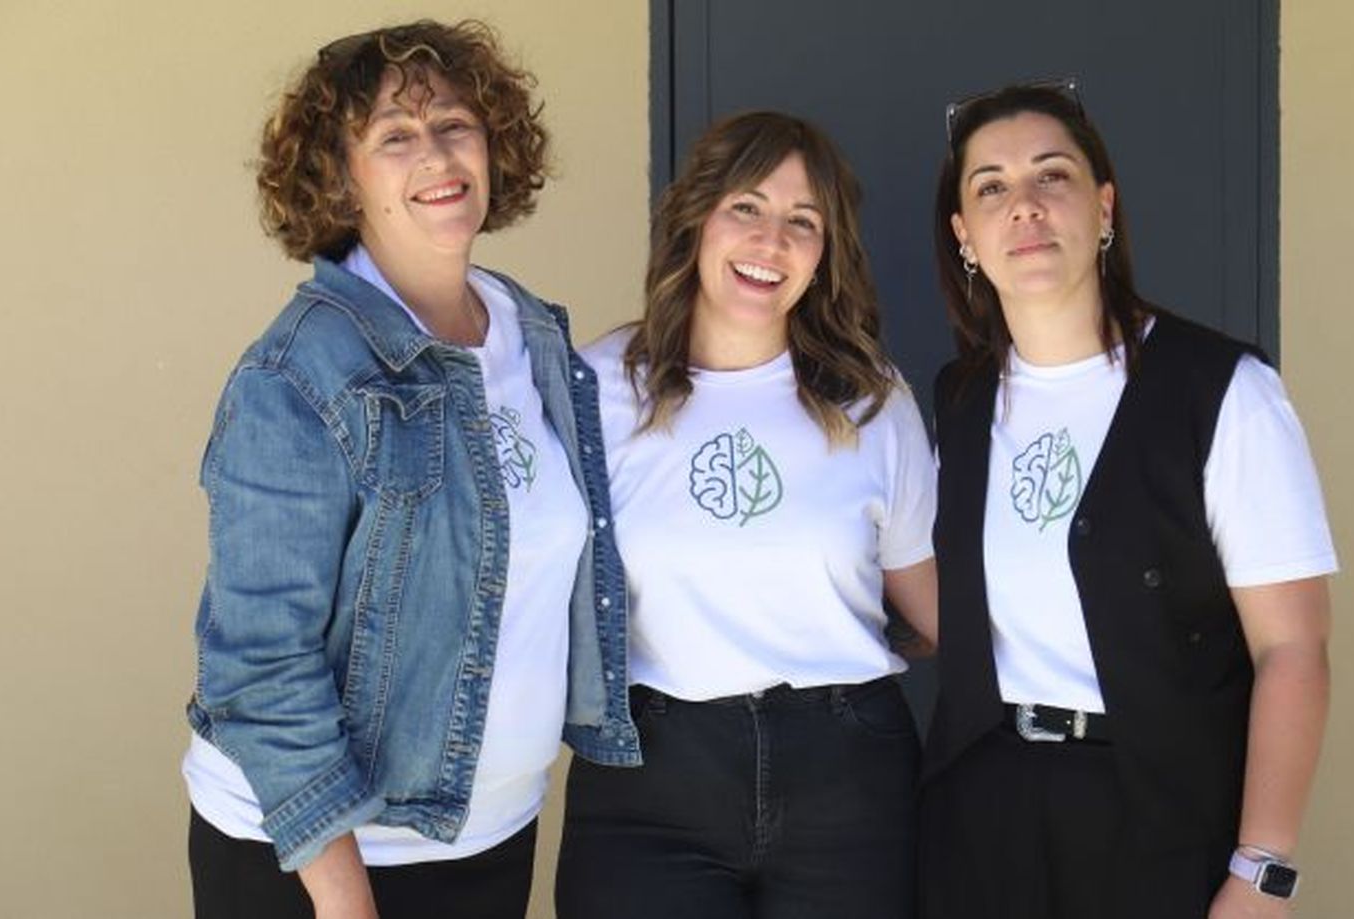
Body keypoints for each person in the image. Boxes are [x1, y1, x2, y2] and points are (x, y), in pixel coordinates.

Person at [179, 20, 638, 919]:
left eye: (456, 124)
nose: (436, 154)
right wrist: (347, 901)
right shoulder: (298, 377)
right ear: (340, 178)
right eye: (395, 136)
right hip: (321, 864)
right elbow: (259, 662)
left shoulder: (527, 330)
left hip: (489, 837)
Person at [917, 80, 1336, 919]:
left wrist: (1262, 871)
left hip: (1160, 822)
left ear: (1103, 207)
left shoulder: (1220, 390)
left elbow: (1292, 650)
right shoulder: (960, 400)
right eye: (991, 187)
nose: (1024, 207)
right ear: (966, 236)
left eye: (1053, 176)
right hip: (982, 818)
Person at [555, 111, 938, 919]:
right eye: (747, 207)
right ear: (696, 218)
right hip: (649, 775)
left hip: (848, 778)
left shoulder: (871, 399)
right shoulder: (597, 386)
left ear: (826, 253)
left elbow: (931, 608)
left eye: (804, 222)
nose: (771, 241)